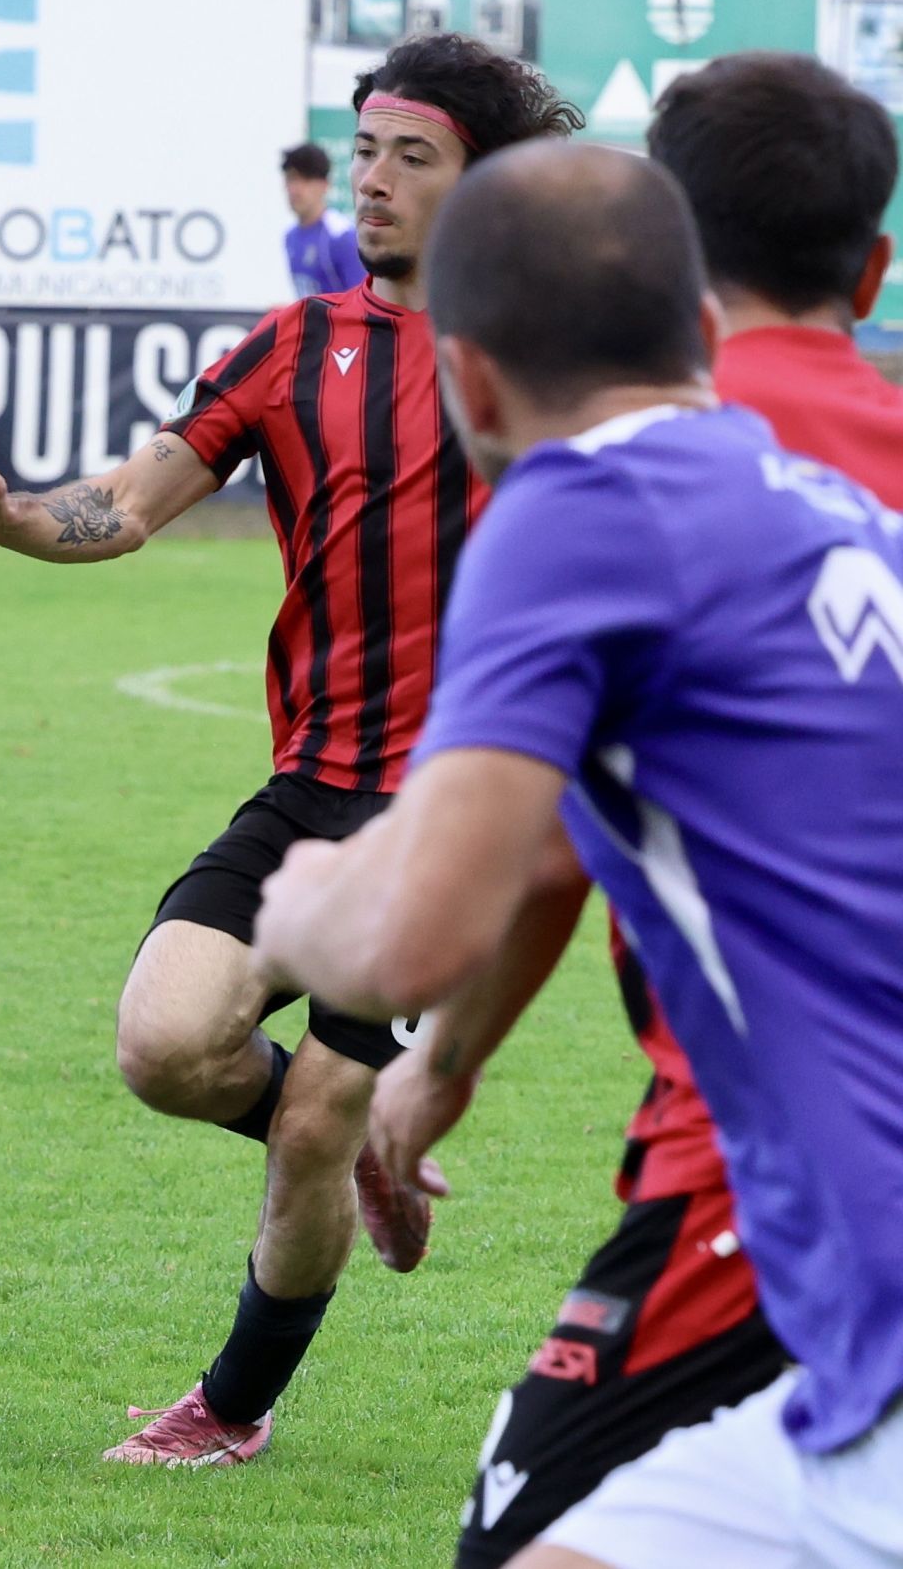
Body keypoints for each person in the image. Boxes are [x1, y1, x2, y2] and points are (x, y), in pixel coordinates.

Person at [0, 33, 580, 1467]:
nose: (374, 181)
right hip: (308, 783)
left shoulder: (556, 359)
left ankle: (232, 1406)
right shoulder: (291, 344)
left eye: (415, 155)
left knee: (319, 1112)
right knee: (163, 1045)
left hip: (451, 810)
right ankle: (363, 1139)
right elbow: (129, 505)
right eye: (368, 149)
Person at [254, 140, 903, 1567]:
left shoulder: (584, 507)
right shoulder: (821, 503)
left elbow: (410, 934)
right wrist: (443, 1062)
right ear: (701, 328)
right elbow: (551, 848)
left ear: (469, 379)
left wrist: (298, 915)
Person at [452, 50, 903, 1568]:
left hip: (755, 1143)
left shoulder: (615, 463)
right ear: (878, 262)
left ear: (675, 261)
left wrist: (431, 1056)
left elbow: (518, 854)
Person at [281, 142, 366, 298]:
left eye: (305, 180)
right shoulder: (290, 237)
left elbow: (362, 304)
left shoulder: (341, 237)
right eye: (291, 179)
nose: (295, 189)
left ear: (325, 185)